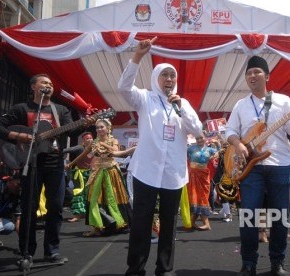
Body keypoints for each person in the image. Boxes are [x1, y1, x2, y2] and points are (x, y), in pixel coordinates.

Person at [117, 37, 203, 276]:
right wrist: (137, 57)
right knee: (141, 223)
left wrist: (182, 108)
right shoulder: (145, 98)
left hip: (173, 173)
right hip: (146, 170)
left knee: (169, 223)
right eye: (164, 75)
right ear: (156, 78)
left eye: (172, 76)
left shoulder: (182, 103)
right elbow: (123, 87)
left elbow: (197, 130)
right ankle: (135, 268)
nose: (169, 80)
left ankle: (164, 268)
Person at [0, 74, 94, 264]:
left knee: (55, 208)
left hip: (55, 163)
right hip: (30, 164)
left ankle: (52, 251)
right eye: (44, 82)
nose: (49, 85)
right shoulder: (21, 109)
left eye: (51, 84)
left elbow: (70, 131)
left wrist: (84, 125)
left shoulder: (60, 110)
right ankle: (26, 252)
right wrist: (19, 136)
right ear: (33, 87)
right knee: (29, 208)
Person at [224, 55, 290, 276]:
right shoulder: (241, 105)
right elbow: (230, 131)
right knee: (249, 216)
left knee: (280, 216)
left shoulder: (283, 100)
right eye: (249, 73)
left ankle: (277, 262)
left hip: (279, 162)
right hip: (252, 167)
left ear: (267, 76)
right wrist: (238, 145)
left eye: (257, 72)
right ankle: (249, 262)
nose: (252, 76)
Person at [66, 119, 133, 237]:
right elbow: (83, 154)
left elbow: (116, 151)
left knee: (113, 198)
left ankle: (116, 223)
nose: (99, 129)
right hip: (97, 173)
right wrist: (71, 164)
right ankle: (96, 227)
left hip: (111, 173)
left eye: (102, 127)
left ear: (108, 129)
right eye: (97, 127)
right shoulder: (93, 142)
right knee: (93, 199)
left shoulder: (113, 140)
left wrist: (104, 144)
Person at [187, 134, 218, 230]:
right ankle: (197, 223)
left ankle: (194, 223)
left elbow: (218, 152)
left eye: (201, 138)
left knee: (203, 197)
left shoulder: (210, 150)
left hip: (204, 176)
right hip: (193, 175)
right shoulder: (190, 148)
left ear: (205, 138)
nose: (199, 139)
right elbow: (186, 158)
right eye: (197, 138)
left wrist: (218, 144)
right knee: (195, 197)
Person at [63, 132, 94, 222]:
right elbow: (68, 149)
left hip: (91, 174)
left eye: (91, 138)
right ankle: (77, 215)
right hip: (79, 174)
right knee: (78, 193)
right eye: (87, 138)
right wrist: (57, 151)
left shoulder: (95, 148)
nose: (89, 140)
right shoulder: (80, 147)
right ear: (83, 141)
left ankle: (86, 213)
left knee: (89, 194)